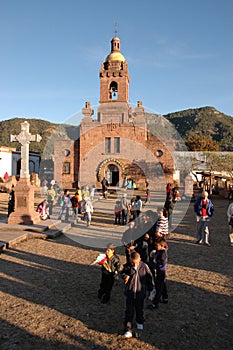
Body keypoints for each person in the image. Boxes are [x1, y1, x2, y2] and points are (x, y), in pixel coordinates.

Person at [121, 251, 154, 338]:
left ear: (140, 259)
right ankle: (128, 328)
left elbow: (149, 278)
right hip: (130, 293)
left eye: (135, 263)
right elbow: (121, 274)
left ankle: (140, 323)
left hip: (140, 293)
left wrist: (151, 290)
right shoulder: (127, 266)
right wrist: (125, 276)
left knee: (139, 309)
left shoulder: (144, 267)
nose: (134, 264)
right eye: (132, 262)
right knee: (129, 311)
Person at [148, 237, 168, 309]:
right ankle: (165, 298)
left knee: (158, 287)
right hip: (160, 271)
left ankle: (155, 303)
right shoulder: (159, 251)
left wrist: (153, 263)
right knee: (163, 285)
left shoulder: (163, 253)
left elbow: (161, 263)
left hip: (161, 271)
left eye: (157, 246)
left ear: (162, 245)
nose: (156, 247)